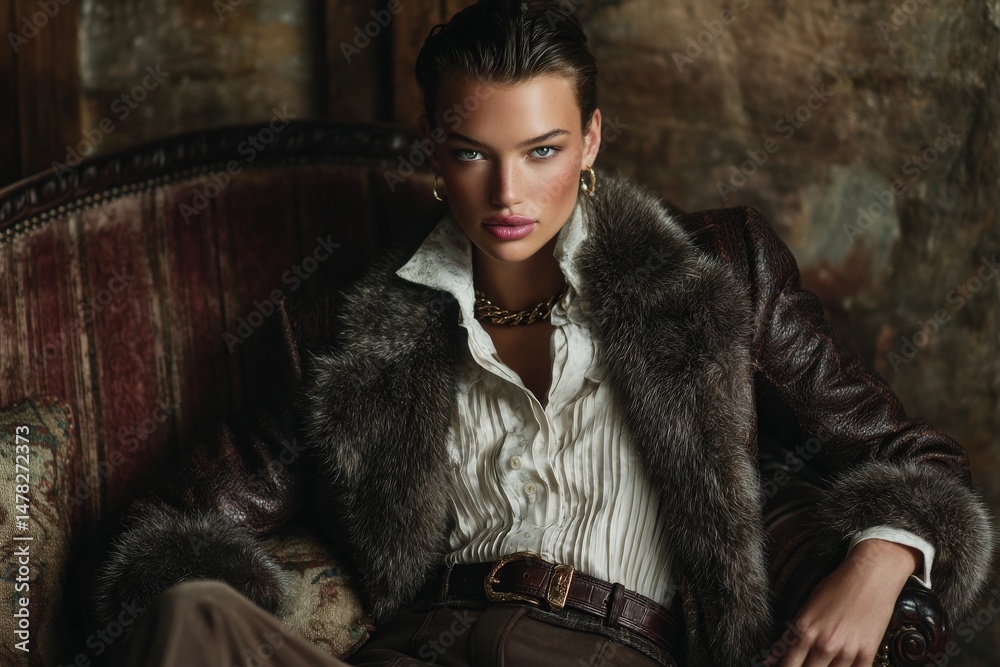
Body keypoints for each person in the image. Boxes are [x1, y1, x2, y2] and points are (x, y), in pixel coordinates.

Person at [84, 1, 993, 666]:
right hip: (421, 645)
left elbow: (919, 461)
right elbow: (173, 522)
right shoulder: (356, 327)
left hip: (614, 644)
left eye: (542, 150)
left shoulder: (719, 269)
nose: (508, 194)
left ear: (592, 140)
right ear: (434, 152)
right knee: (192, 617)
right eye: (473, 152)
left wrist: (880, 556)